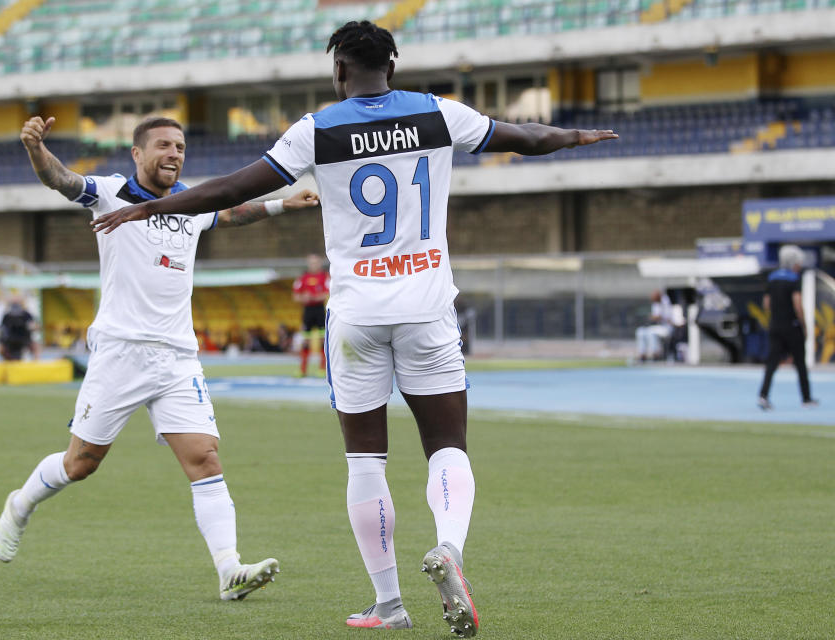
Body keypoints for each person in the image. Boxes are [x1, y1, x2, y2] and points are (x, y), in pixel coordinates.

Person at [89, 20, 616, 636]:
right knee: (447, 446)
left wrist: (156, 204)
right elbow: (522, 137)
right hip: (426, 307)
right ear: (392, 65)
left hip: (356, 316)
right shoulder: (439, 114)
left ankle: (389, 605)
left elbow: (234, 187)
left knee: (366, 459)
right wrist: (574, 135)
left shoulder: (317, 129)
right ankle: (449, 547)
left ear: (339, 70)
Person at [0, 113, 320, 603]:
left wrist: (282, 205)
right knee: (81, 463)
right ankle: (21, 503)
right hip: (120, 353)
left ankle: (229, 570)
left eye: (181, 147)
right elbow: (60, 180)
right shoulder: (109, 192)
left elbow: (230, 214)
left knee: (205, 459)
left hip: (177, 357)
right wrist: (36, 148)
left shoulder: (191, 202)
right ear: (137, 154)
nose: (174, 154)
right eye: (164, 145)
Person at [757, 245, 817, 410]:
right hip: (792, 326)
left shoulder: (772, 278)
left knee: (772, 363)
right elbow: (797, 304)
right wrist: (803, 324)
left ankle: (763, 395)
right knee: (800, 363)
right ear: (793, 263)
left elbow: (766, 304)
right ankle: (806, 398)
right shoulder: (793, 279)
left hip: (775, 326)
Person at [292, 253, 330, 375]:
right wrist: (304, 297)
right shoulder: (303, 278)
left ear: (320, 263)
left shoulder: (325, 277)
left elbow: (327, 293)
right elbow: (295, 296)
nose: (314, 265)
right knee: (305, 341)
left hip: (319, 311)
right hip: (307, 311)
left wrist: (314, 297)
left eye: (316, 262)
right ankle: (302, 370)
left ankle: (322, 368)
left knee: (322, 340)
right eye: (311, 262)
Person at [635, 290, 673, 361]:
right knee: (640, 331)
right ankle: (642, 354)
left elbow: (669, 318)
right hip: (657, 326)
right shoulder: (656, 304)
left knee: (651, 333)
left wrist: (659, 317)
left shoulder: (666, 302)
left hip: (666, 327)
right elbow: (654, 316)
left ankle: (655, 354)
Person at [0, 296, 40, 360]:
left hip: (24, 338)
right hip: (10, 339)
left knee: (36, 346)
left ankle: (36, 363)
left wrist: (33, 327)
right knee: (1, 349)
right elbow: (2, 329)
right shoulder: (6, 316)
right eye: (14, 303)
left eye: (17, 302)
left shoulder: (26, 314)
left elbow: (33, 325)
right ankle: (9, 362)